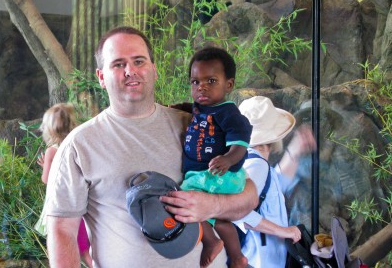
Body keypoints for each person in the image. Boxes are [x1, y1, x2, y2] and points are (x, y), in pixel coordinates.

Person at [45, 26, 258, 268]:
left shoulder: (195, 126)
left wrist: (213, 205)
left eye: (138, 61)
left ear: (154, 70)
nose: (130, 71)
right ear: (101, 77)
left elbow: (249, 196)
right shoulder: (79, 145)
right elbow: (62, 230)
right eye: (118, 64)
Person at [181, 47, 252, 268]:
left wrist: (229, 160)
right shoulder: (201, 108)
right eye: (195, 82)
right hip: (212, 175)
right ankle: (237, 256)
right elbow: (193, 111)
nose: (201, 86)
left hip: (215, 174)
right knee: (220, 221)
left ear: (228, 85)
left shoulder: (229, 113)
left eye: (211, 81)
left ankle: (211, 242)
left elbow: (241, 144)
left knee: (185, 201)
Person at [236, 96, 317, 268]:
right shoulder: (256, 166)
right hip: (258, 262)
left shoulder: (254, 162)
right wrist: (283, 231)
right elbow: (237, 213)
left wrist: (295, 150)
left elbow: (270, 190)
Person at [36, 103, 93, 268]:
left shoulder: (52, 151)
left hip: (61, 205)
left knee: (69, 245)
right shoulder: (77, 144)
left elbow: (46, 179)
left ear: (49, 128)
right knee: (84, 247)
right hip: (81, 203)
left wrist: (46, 168)